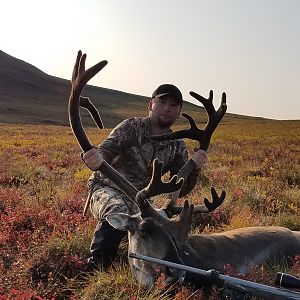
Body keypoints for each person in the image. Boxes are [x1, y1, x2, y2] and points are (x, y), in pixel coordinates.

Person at [82, 83, 208, 271]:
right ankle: (97, 266)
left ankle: (163, 267)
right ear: (151, 105)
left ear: (179, 111)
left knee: (162, 221)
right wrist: (94, 157)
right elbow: (105, 151)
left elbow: (180, 189)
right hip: (105, 187)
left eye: (174, 105)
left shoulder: (177, 146)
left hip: (139, 198)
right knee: (118, 209)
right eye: (162, 102)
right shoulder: (131, 127)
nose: (167, 108)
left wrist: (195, 167)